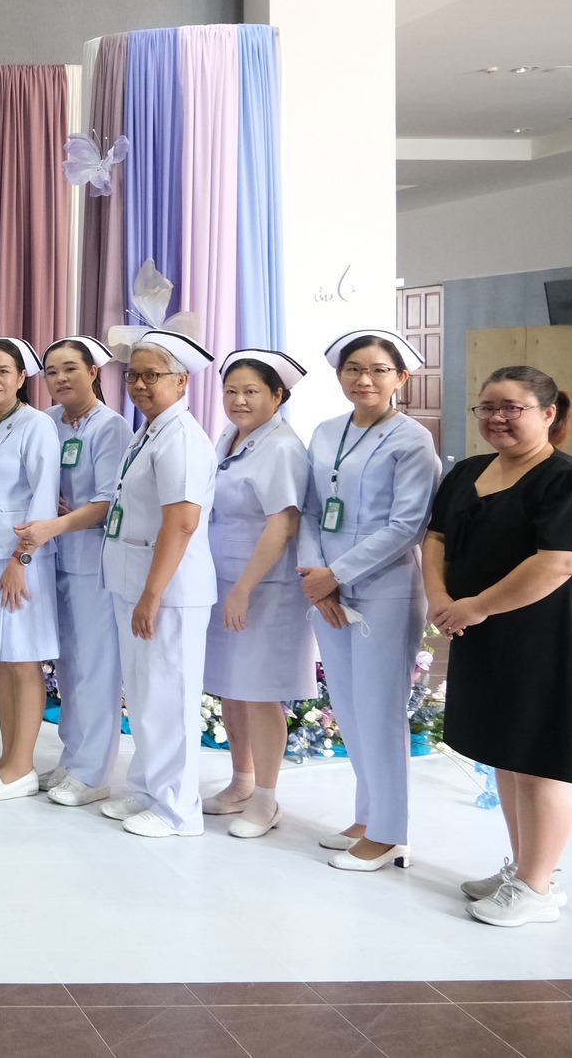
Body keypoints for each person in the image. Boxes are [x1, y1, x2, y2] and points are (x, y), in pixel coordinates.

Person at [428, 365, 572, 927]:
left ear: (548, 413)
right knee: (505, 756)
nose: (497, 418)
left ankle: (537, 887)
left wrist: (476, 606)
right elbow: (436, 537)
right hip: (479, 631)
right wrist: (440, 597)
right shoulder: (469, 472)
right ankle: (525, 868)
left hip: (540, 635)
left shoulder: (568, 480)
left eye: (512, 407)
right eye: (487, 407)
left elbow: (559, 562)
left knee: (539, 761)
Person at [298, 329, 441, 872]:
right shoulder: (326, 431)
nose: (365, 379)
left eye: (379, 370)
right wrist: (316, 574)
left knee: (380, 710)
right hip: (326, 584)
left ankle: (389, 832)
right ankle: (366, 816)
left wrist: (335, 573)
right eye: (354, 369)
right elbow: (310, 510)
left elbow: (408, 525)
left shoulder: (412, 440)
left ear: (400, 378)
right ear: (339, 375)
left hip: (385, 587)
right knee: (351, 705)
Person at [98, 331, 219, 838]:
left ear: (181, 381)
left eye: (153, 375)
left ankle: (177, 810)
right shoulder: (149, 431)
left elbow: (182, 522)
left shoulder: (182, 437)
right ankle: (149, 789)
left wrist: (152, 594)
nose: (140, 385)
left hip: (169, 591)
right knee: (146, 694)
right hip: (138, 582)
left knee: (170, 697)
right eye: (134, 375)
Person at [14, 336, 132, 808]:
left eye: (70, 369)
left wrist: (56, 523)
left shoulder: (111, 427)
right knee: (66, 665)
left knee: (96, 668)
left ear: (93, 373)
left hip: (92, 564)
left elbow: (107, 503)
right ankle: (72, 758)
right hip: (52, 560)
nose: (60, 378)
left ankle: (94, 772)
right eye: (51, 371)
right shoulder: (46, 422)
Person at [200, 350, 312, 840]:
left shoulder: (282, 447)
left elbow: (282, 524)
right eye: (231, 391)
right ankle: (241, 781)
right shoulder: (230, 436)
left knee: (261, 692)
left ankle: (267, 798)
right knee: (232, 685)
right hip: (223, 578)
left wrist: (243, 589)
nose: (239, 400)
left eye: (251, 392)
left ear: (277, 396)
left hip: (264, 586)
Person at [0, 338, 62, 803]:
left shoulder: (36, 425)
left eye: (4, 371)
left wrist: (21, 561)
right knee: (0, 659)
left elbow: (44, 500)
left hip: (20, 562)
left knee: (23, 660)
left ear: (22, 377)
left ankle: (23, 765)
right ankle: (7, 758)